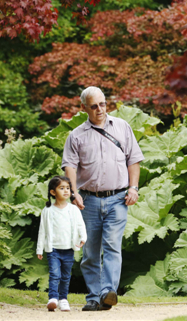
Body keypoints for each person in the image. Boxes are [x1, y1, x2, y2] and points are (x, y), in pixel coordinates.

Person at [62, 86, 144, 311]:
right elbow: (69, 165)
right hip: (88, 201)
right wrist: (74, 193)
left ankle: (108, 292)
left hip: (118, 199)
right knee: (89, 253)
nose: (100, 109)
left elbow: (133, 160)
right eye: (94, 106)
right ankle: (94, 297)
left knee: (112, 247)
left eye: (103, 104)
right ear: (84, 108)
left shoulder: (122, 127)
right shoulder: (76, 135)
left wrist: (134, 188)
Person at [36, 176, 87, 312]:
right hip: (53, 249)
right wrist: (39, 249)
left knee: (65, 276)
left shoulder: (73, 209)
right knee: (54, 274)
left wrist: (83, 237)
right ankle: (53, 298)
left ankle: (63, 299)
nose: (66, 191)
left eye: (68, 188)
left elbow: (80, 225)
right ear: (53, 192)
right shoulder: (47, 211)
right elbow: (42, 231)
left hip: (69, 248)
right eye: (61, 188)